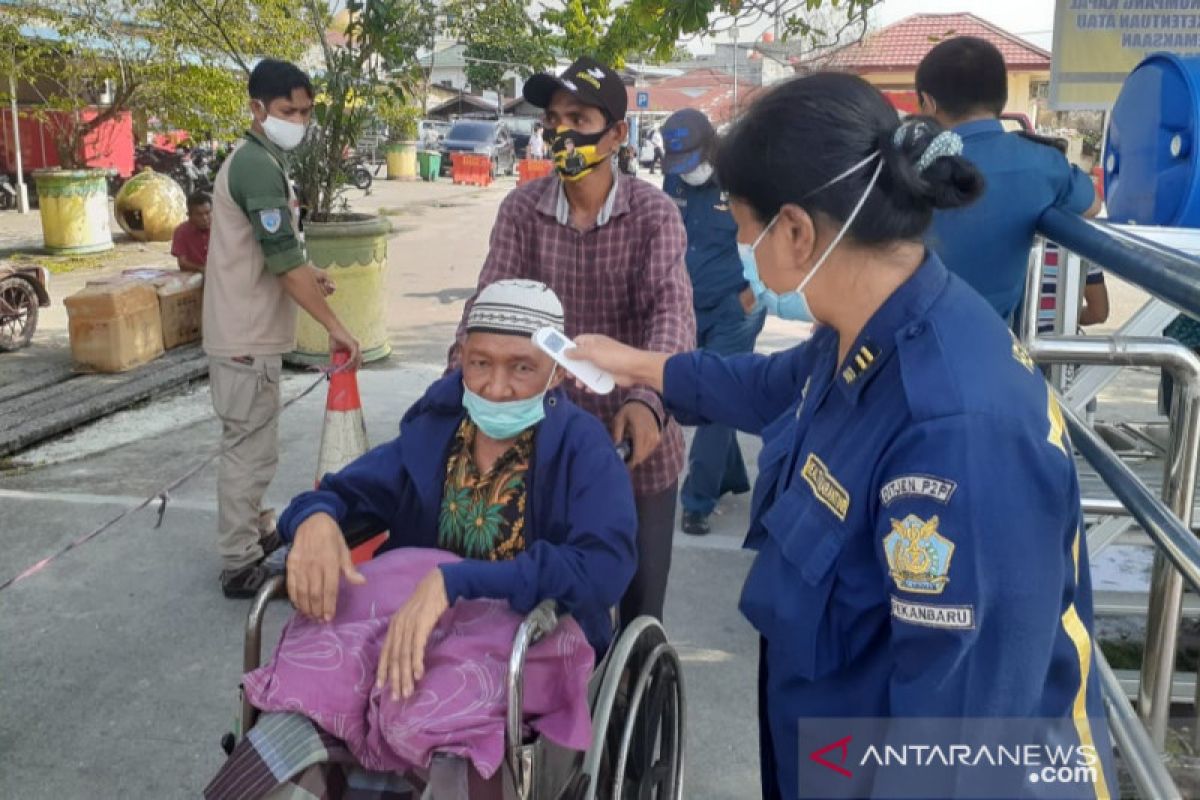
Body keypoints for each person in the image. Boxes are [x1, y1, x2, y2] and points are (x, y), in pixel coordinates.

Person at [570, 73, 1115, 800]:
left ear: (795, 230)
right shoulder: (866, 327)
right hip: (835, 744)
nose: (736, 240)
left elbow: (954, 752)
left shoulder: (955, 431)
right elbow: (767, 388)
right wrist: (632, 364)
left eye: (739, 220)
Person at [207, 280, 639, 799]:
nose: (496, 387)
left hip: (525, 630)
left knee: (429, 709)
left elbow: (604, 567)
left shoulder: (581, 449)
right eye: (480, 364)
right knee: (313, 683)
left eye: (521, 367)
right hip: (410, 621)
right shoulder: (436, 431)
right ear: (461, 359)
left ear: (557, 370)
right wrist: (315, 520)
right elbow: (345, 493)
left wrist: (455, 582)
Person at [449, 56, 695, 626]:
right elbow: (488, 306)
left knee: (638, 615)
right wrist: (459, 376)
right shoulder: (521, 211)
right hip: (545, 442)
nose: (561, 132)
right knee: (547, 608)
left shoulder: (653, 216)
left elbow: (672, 315)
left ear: (614, 134)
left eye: (578, 117)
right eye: (553, 119)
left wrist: (649, 400)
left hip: (634, 443)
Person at [204, 58, 362, 599]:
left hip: (249, 334)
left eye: (305, 110)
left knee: (256, 445)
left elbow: (277, 251)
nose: (299, 119)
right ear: (256, 110)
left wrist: (308, 270)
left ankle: (255, 529)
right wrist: (337, 328)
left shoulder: (264, 161)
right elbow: (281, 265)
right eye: (287, 110)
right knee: (249, 449)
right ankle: (239, 562)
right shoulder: (254, 164)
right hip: (244, 337)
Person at [917, 36, 1102, 322]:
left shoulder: (905, 166)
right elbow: (1092, 205)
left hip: (906, 344)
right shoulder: (1043, 163)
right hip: (994, 345)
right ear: (1001, 100)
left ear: (928, 103)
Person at [661, 108, 765, 536]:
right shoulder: (675, 181)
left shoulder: (745, 179)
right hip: (689, 303)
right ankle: (728, 476)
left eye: (692, 160)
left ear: (711, 147)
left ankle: (696, 501)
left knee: (716, 395)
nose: (688, 172)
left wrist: (753, 291)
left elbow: (767, 237)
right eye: (678, 163)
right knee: (695, 396)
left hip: (735, 307)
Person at [171, 191, 212, 273]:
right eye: (199, 214)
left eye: (207, 213)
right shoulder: (181, 232)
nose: (205, 218)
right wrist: (201, 269)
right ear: (189, 215)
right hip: (194, 275)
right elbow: (182, 263)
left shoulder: (220, 228)